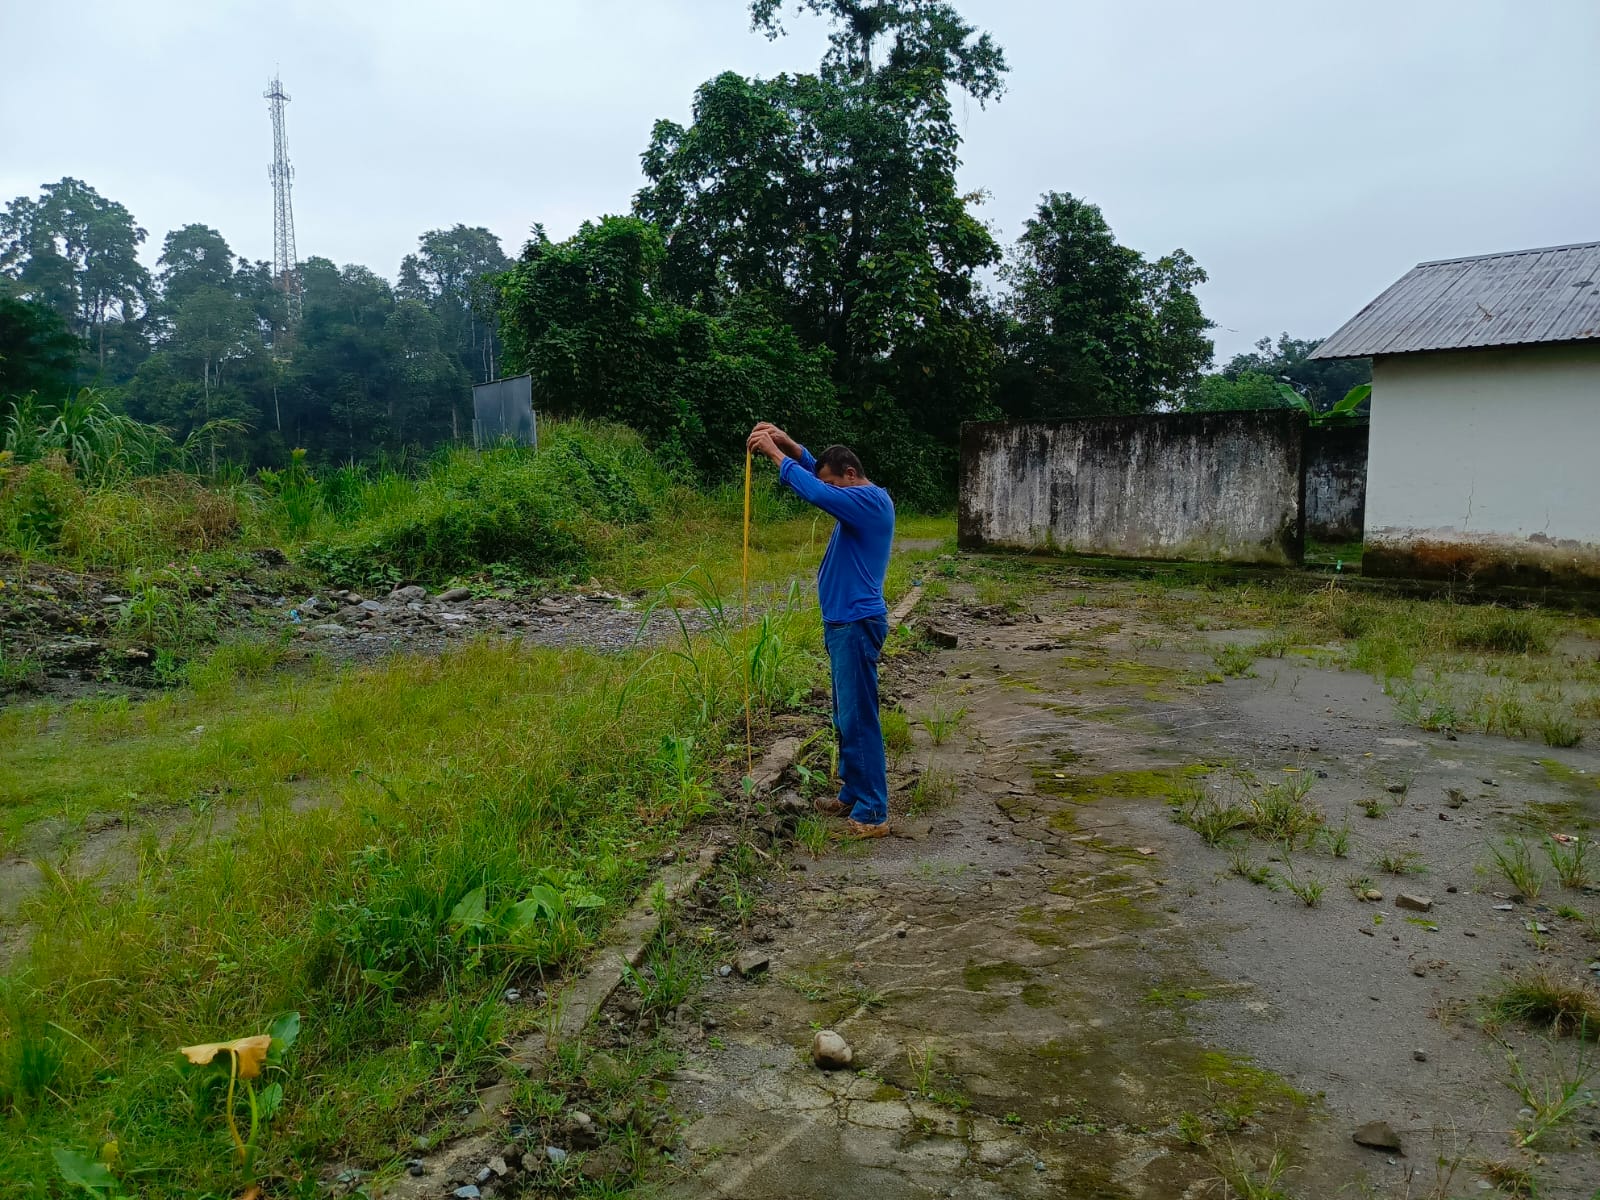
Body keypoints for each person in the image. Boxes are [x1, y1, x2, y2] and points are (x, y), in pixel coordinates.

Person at [746, 421, 896, 837]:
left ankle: (873, 812)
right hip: (844, 623)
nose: (830, 489)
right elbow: (822, 480)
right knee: (845, 716)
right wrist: (792, 446)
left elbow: (818, 491)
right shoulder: (856, 495)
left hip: (856, 623)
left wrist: (775, 455)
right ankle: (854, 793)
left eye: (834, 482)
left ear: (851, 474)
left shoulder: (870, 501)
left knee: (859, 718)